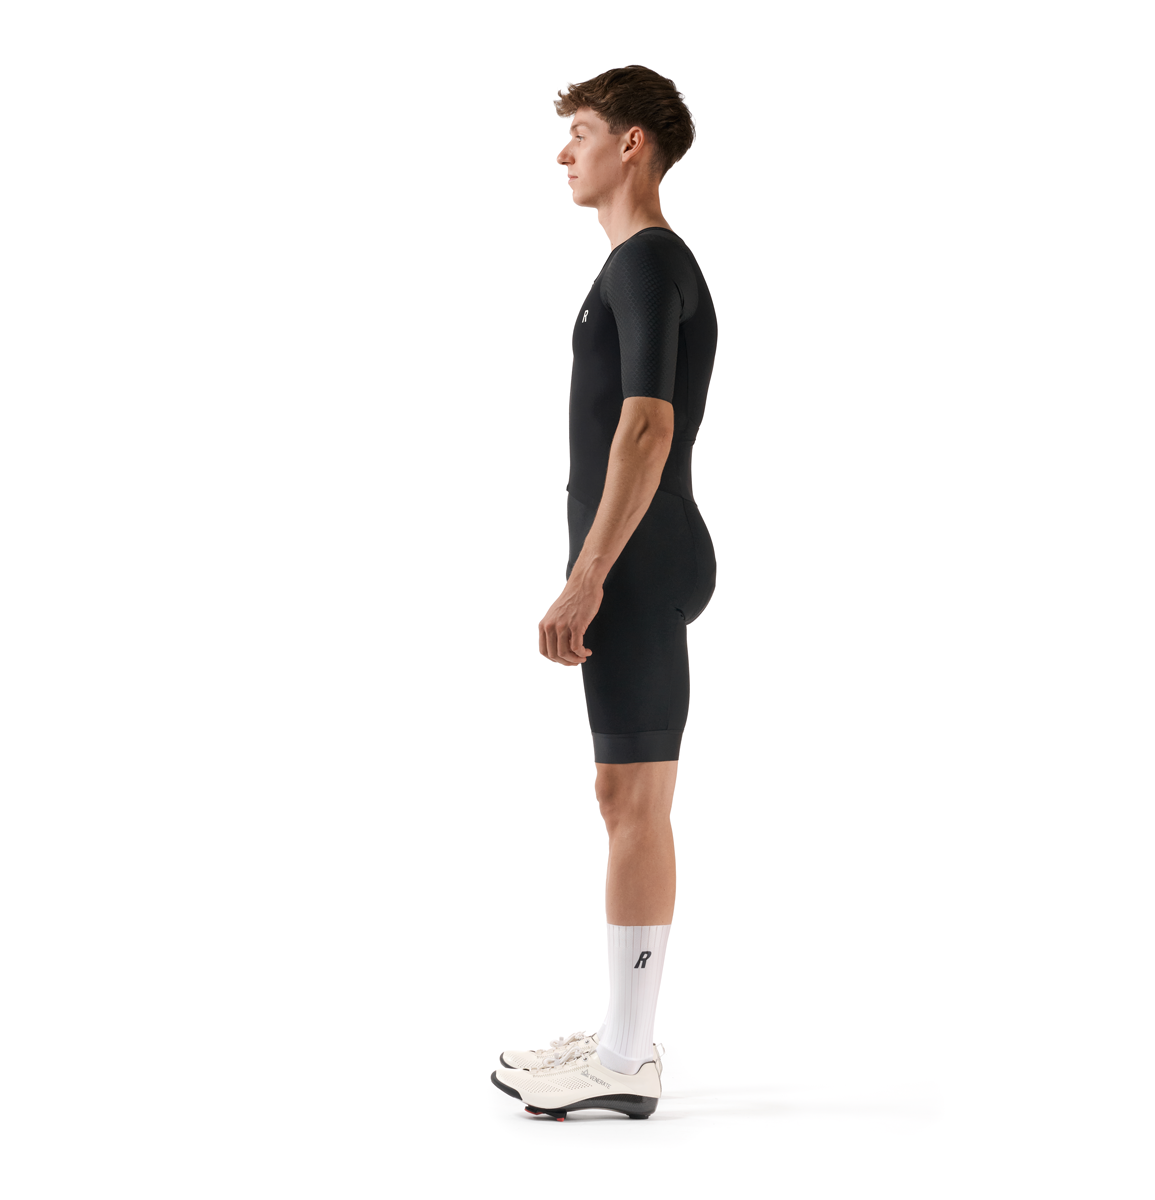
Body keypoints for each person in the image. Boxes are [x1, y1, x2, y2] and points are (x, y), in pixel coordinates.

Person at [490, 65, 718, 1121]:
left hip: (634, 561)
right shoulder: (637, 265)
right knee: (624, 797)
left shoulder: (647, 260)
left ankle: (626, 1058)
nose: (564, 150)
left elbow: (646, 426)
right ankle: (624, 1038)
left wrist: (587, 575)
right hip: (642, 555)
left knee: (633, 804)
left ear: (632, 144)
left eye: (580, 130)